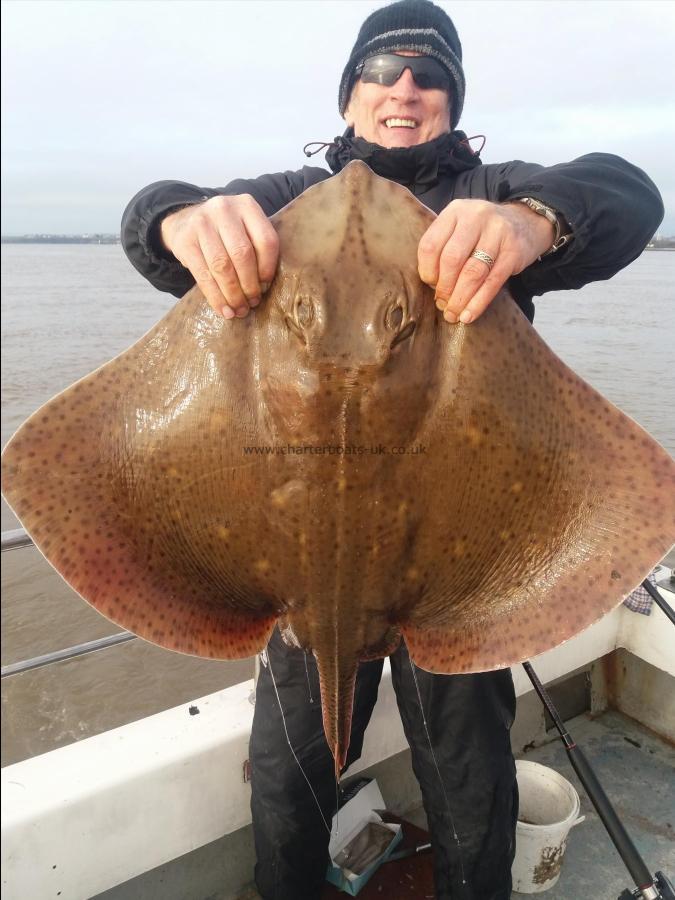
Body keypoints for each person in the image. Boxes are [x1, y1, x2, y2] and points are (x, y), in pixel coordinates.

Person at [120, 2, 664, 897]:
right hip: (293, 561)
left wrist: (534, 222)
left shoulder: (494, 193)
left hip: (458, 562)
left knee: (467, 774)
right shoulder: (283, 203)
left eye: (429, 74)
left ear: (453, 100)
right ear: (348, 96)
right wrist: (178, 219)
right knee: (290, 777)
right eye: (382, 72)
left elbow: (627, 192)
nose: (405, 89)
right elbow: (154, 217)